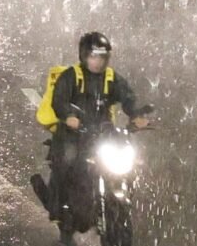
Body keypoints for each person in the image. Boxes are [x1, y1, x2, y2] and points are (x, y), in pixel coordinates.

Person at [31, 32, 148, 221]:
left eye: (102, 57)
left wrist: (136, 115)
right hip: (72, 133)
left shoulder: (111, 78)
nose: (98, 61)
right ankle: (55, 204)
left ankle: (117, 193)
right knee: (66, 161)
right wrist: (69, 116)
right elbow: (59, 100)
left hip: (102, 132)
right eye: (93, 56)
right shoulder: (71, 76)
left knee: (128, 158)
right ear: (84, 56)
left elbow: (128, 98)